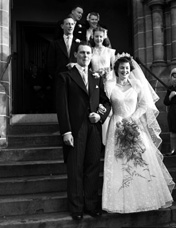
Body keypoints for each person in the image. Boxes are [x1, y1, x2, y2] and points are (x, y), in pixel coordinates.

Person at [102, 56, 175, 213]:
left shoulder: (136, 85)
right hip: (116, 124)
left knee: (139, 160)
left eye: (127, 68)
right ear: (116, 69)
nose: (125, 71)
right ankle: (119, 202)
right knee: (119, 161)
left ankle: (144, 198)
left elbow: (144, 105)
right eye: (122, 68)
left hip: (134, 123)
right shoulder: (110, 85)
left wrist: (133, 118)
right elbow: (105, 102)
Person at [55, 41, 111, 220]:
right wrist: (66, 131)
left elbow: (106, 102)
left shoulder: (96, 78)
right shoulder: (66, 76)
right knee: (75, 168)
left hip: (94, 128)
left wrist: (100, 116)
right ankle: (76, 208)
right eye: (82, 53)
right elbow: (62, 107)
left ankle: (91, 206)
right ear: (76, 55)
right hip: (76, 129)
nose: (85, 56)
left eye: (88, 53)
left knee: (93, 167)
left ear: (91, 56)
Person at [91, 27, 116, 145]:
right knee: (99, 108)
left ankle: (111, 141)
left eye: (101, 36)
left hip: (108, 83)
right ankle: (101, 141)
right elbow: (88, 68)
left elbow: (114, 69)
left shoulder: (110, 52)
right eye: (96, 36)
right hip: (95, 83)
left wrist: (106, 73)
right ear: (93, 37)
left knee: (110, 109)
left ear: (104, 37)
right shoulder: (90, 51)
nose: (98, 38)